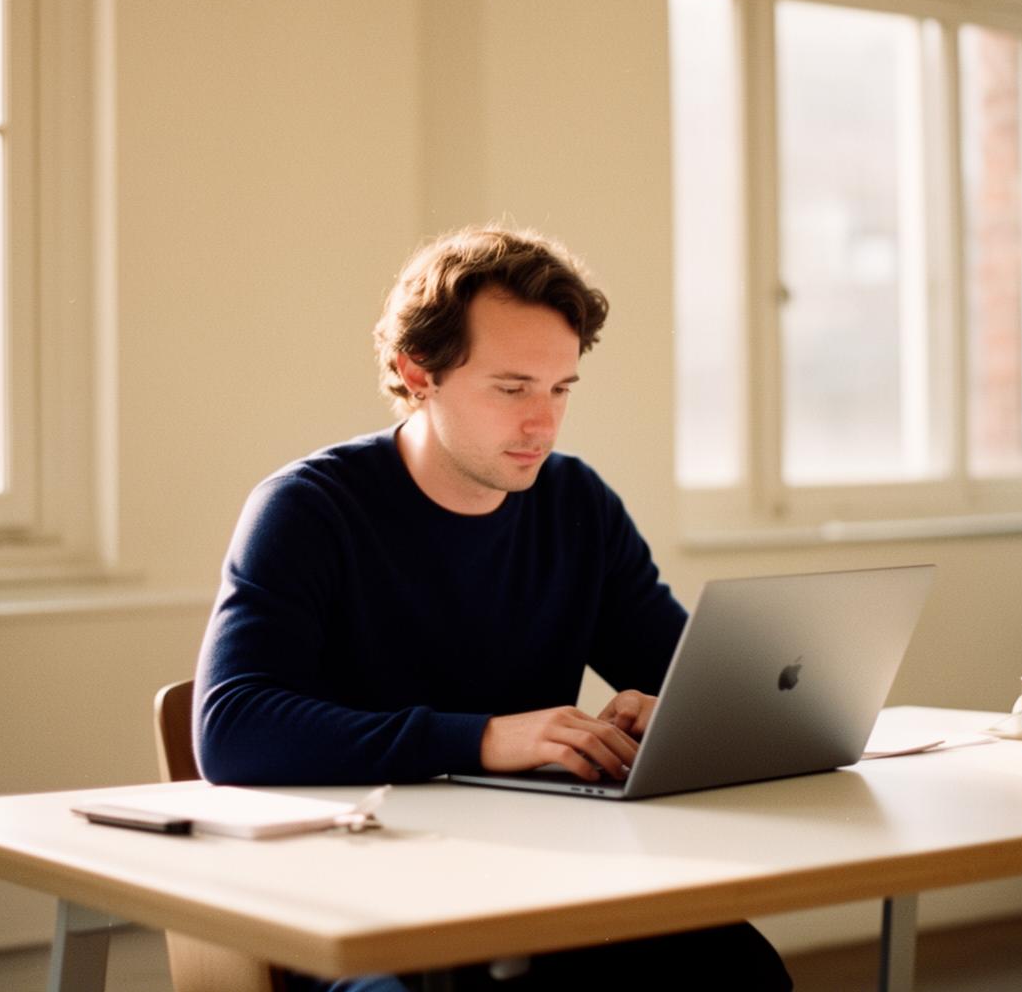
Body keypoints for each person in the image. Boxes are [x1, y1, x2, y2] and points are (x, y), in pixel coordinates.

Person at [195, 225, 791, 991]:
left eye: (560, 389)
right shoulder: (309, 510)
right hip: (363, 900)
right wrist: (482, 739)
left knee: (735, 968)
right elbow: (231, 729)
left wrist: (669, 709)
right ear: (419, 372)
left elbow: (693, 674)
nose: (542, 423)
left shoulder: (576, 504)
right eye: (512, 389)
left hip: (540, 882)